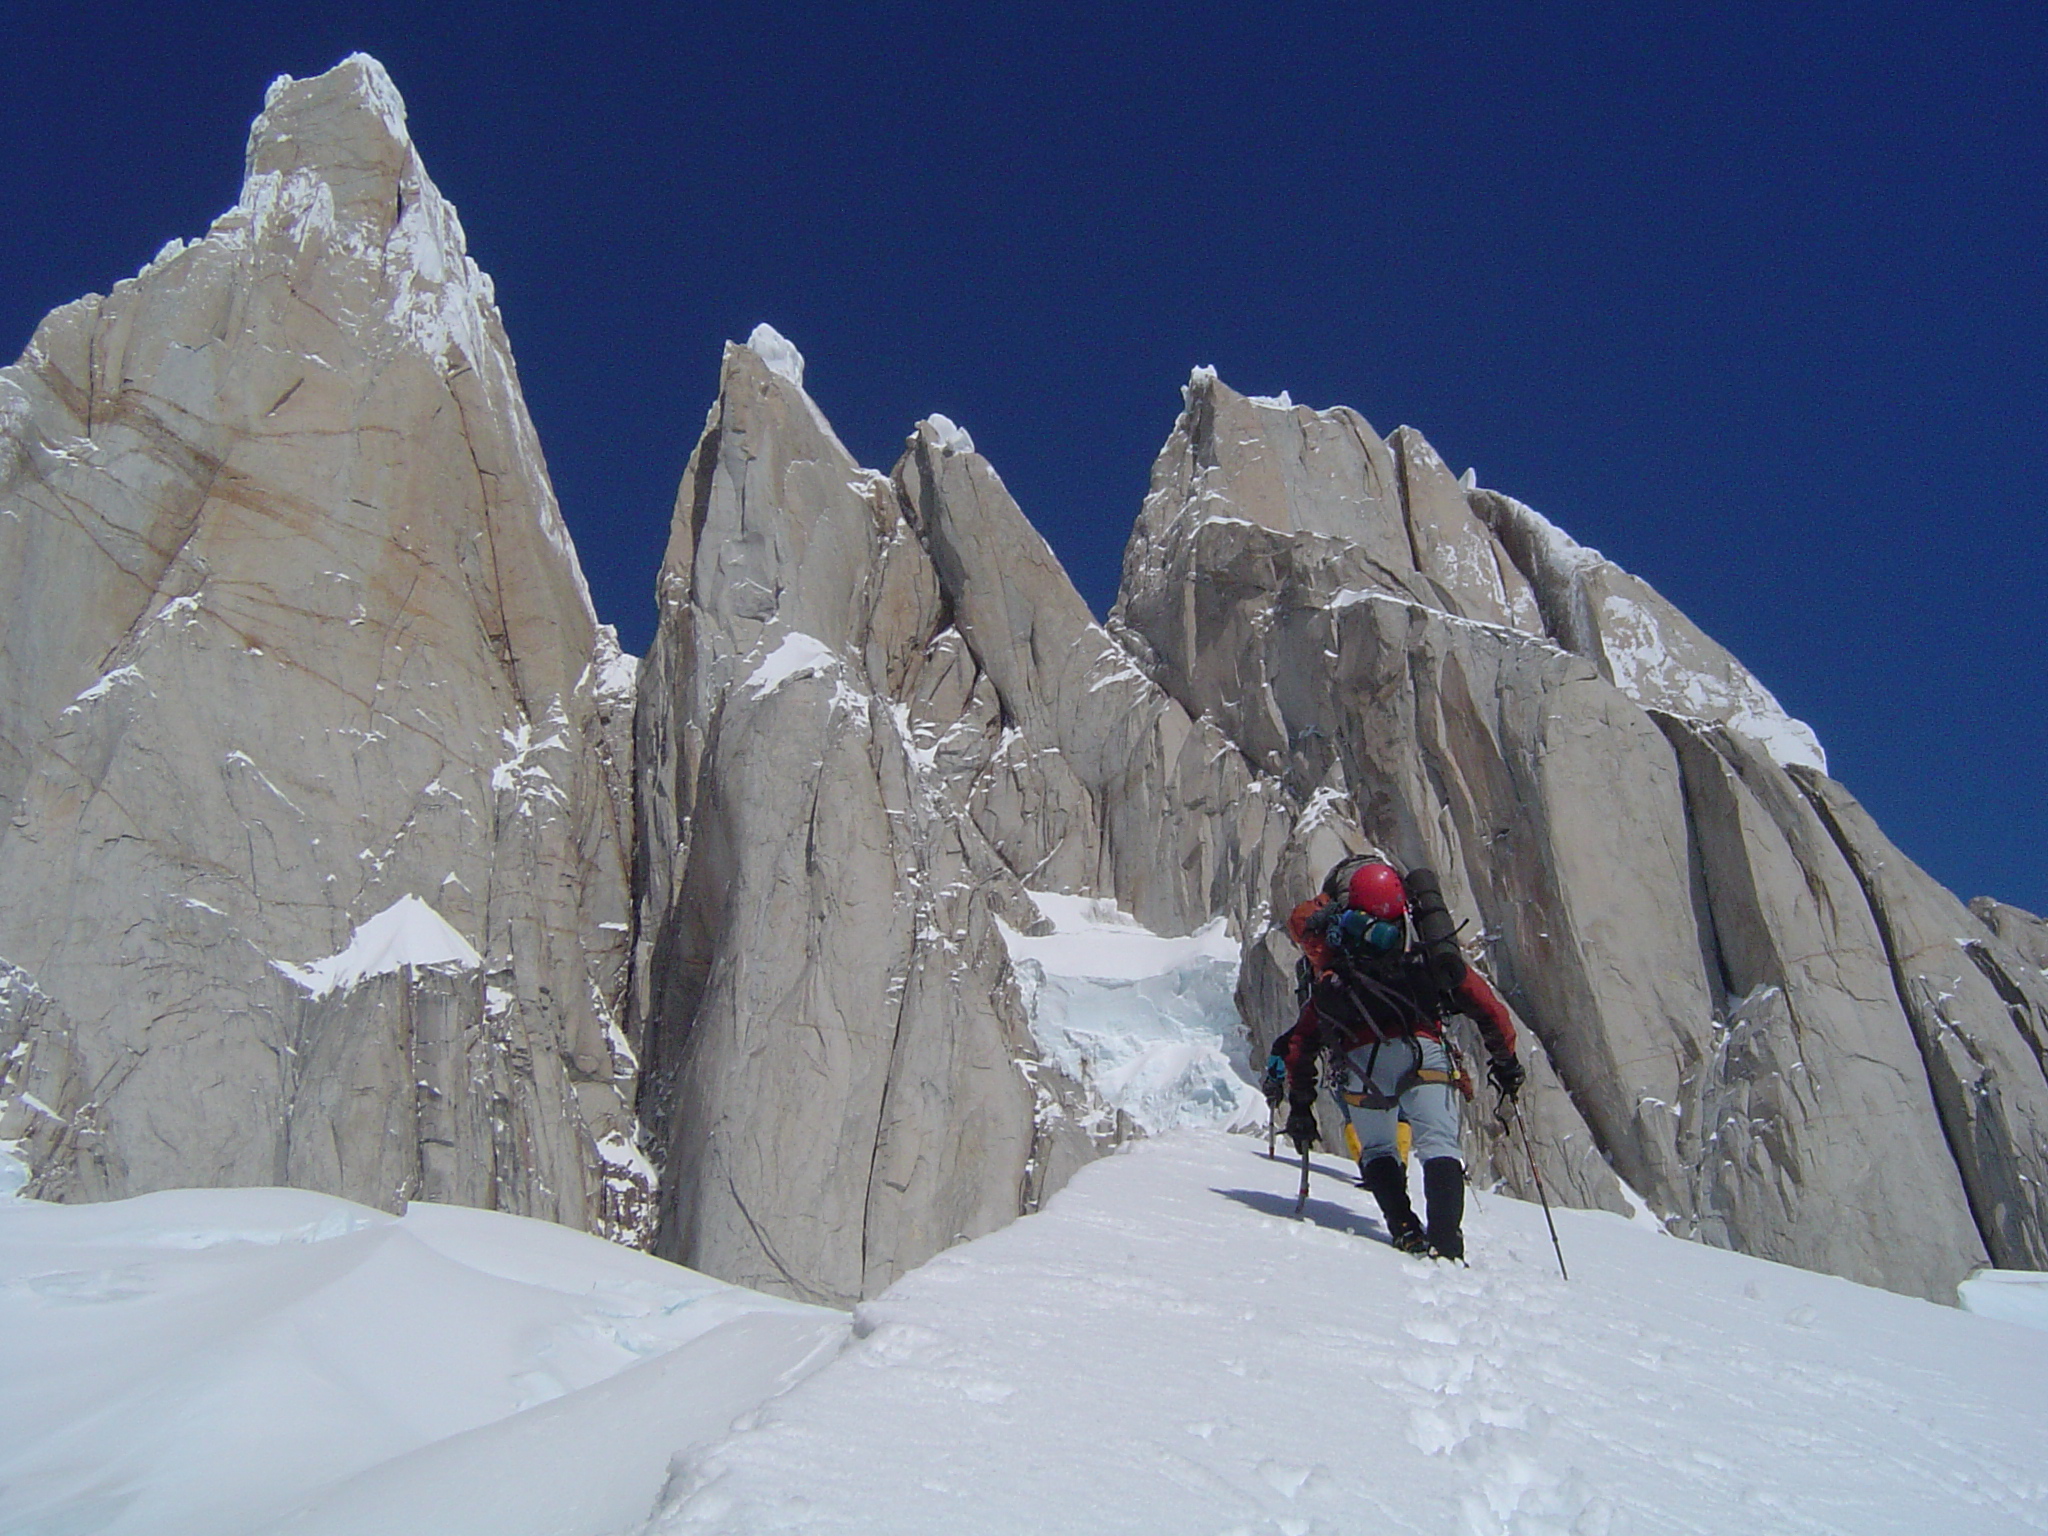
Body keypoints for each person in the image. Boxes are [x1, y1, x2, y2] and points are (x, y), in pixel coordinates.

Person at [1271, 856, 1525, 1260]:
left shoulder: (1337, 959)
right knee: (1438, 1143)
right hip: (1423, 1053)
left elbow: (1302, 1041)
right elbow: (1487, 1008)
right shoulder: (1426, 952)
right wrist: (1505, 1060)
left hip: (1360, 1067)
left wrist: (1301, 1105)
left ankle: (1405, 1229)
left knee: (1377, 1150)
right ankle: (1446, 1243)